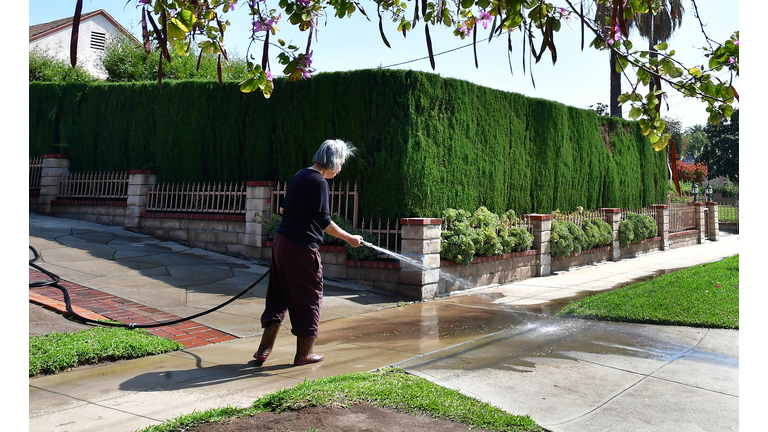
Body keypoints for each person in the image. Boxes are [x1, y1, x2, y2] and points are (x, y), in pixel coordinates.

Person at [254, 139, 363, 366]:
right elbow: (324, 221)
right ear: (333, 161)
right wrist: (350, 238)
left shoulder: (300, 175)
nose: (341, 168)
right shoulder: (318, 182)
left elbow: (284, 208)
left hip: (282, 243)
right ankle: (304, 354)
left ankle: (264, 349)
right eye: (341, 162)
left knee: (278, 295)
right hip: (301, 248)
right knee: (309, 296)